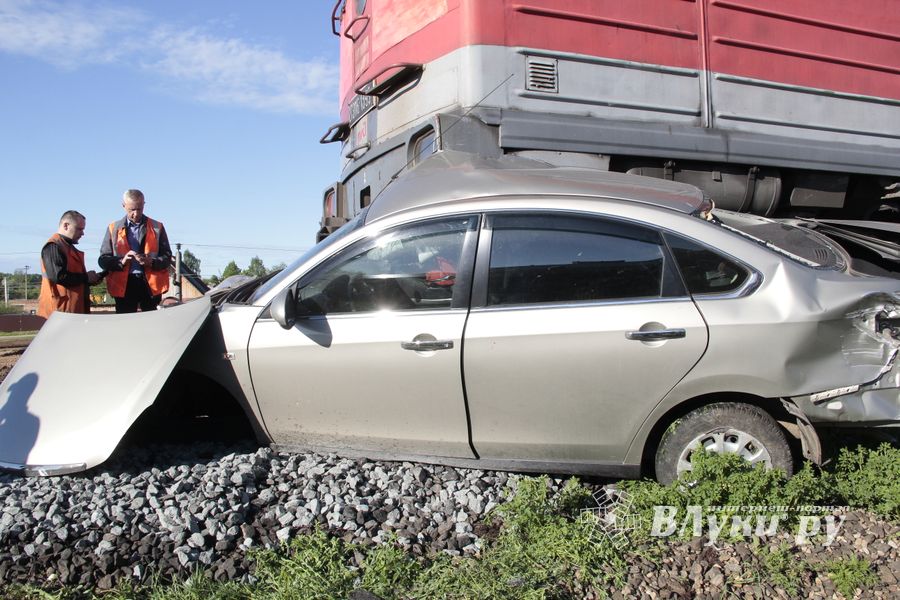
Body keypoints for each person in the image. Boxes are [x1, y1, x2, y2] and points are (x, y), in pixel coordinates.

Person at [98, 189, 173, 313]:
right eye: (131, 210)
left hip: (150, 285)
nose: (136, 213)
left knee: (151, 323)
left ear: (144, 204)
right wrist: (121, 261)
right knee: (125, 325)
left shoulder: (157, 227)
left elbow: (167, 257)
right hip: (123, 286)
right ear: (123, 206)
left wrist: (152, 262)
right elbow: (103, 260)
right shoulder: (113, 228)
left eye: (139, 208)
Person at [37, 210, 102, 318]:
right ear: (66, 225)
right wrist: (86, 278)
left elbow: (73, 279)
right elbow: (59, 276)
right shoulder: (53, 246)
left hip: (70, 311)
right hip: (60, 312)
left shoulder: (67, 247)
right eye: (79, 229)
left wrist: (94, 278)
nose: (82, 233)